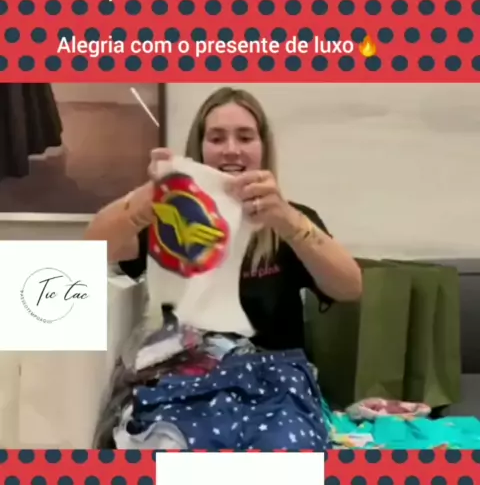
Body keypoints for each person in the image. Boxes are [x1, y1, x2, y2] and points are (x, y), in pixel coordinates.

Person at [85, 87, 362, 352]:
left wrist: (289, 222)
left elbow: (350, 288)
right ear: (200, 148)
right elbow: (90, 251)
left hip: (271, 376)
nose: (231, 149)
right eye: (217, 139)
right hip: (184, 371)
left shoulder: (290, 220)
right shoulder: (171, 218)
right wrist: (145, 199)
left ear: (263, 148)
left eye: (245, 137)